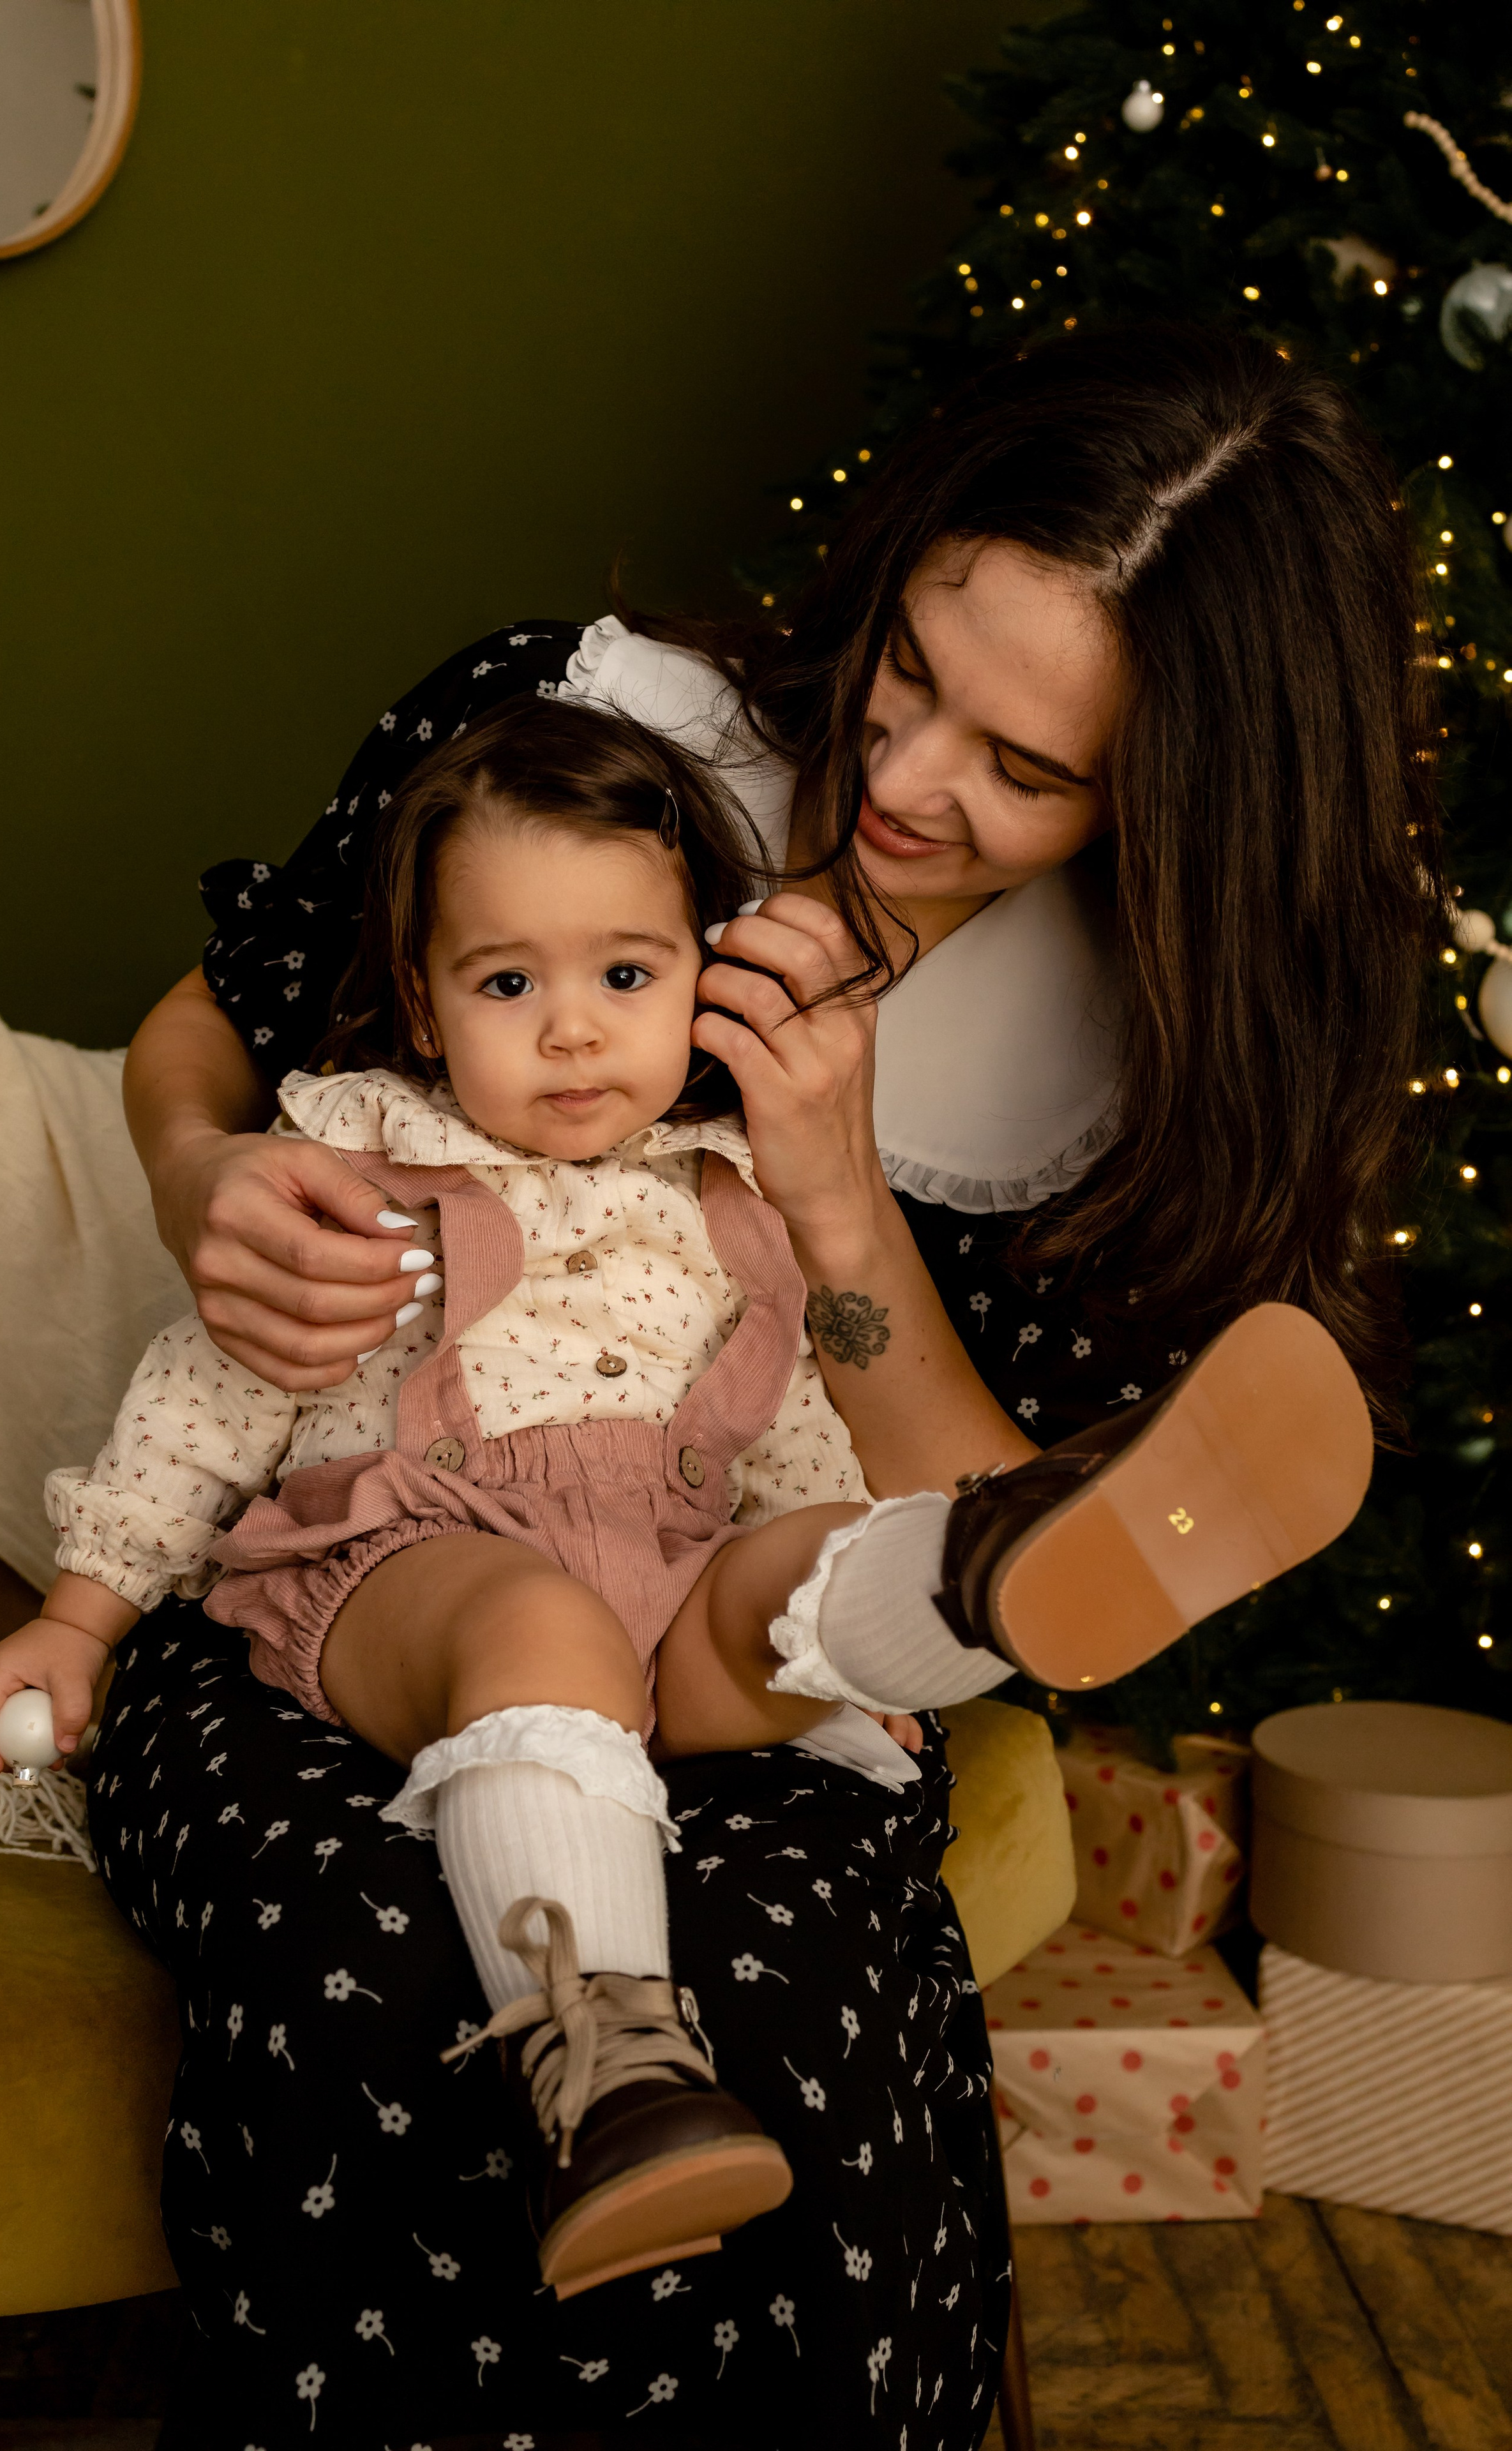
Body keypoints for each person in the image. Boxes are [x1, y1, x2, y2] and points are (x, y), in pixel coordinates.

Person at [97, 325, 1441, 2447]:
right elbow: (211, 1017)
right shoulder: (575, 736)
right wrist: (202, 1176)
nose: (909, 784)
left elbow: (1007, 1535)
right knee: (395, 1988)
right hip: (351, 1595)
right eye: (914, 675)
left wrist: (836, 1200)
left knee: (791, 2016)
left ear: (1176, 807)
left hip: (748, 1629)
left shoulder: (1152, 1069)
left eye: (1026, 771)